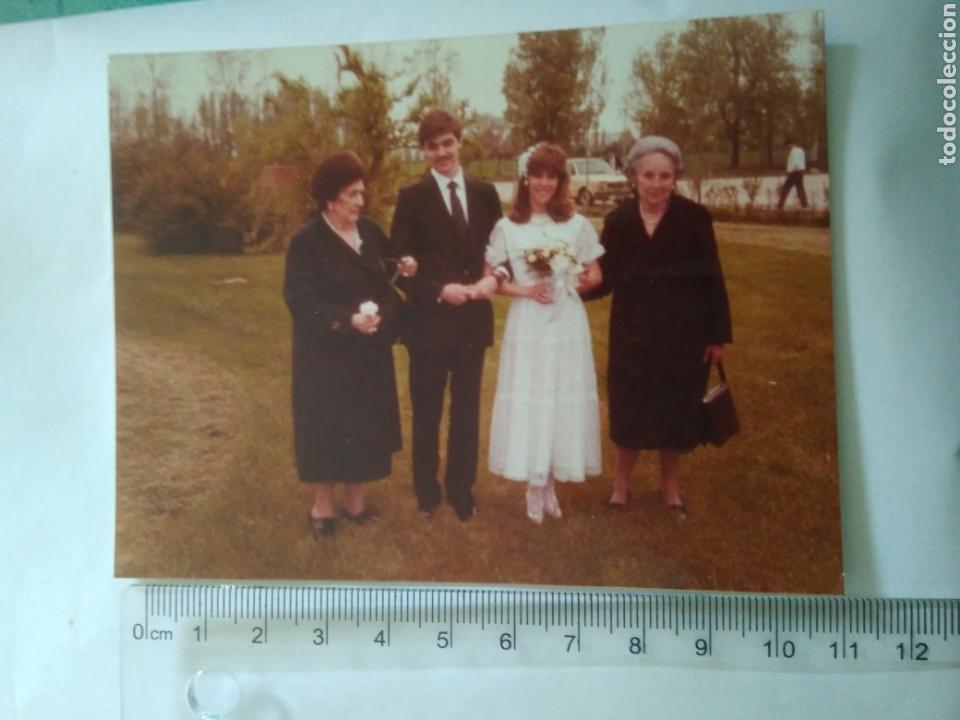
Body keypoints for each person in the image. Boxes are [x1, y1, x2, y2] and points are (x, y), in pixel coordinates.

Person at [588, 136, 732, 520]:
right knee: (629, 408)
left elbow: (711, 277)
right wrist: (573, 288)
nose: (656, 183)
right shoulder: (618, 221)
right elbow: (606, 277)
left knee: (677, 410)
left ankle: (670, 488)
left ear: (675, 178)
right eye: (648, 175)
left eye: (664, 176)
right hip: (632, 334)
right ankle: (621, 485)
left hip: (682, 335)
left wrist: (717, 335)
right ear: (634, 177)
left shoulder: (694, 218)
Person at [283, 150, 417, 539]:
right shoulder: (307, 241)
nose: (361, 201)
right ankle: (322, 507)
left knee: (365, 424)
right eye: (353, 194)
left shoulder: (371, 232)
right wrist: (346, 320)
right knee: (325, 426)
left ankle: (356, 503)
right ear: (330, 199)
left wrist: (402, 268)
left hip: (367, 350)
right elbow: (299, 300)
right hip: (325, 354)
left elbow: (384, 273)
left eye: (362, 193)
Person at [388, 109, 503, 520]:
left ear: (460, 142)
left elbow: (501, 253)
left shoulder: (485, 193)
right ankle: (426, 491)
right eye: (433, 146)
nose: (442, 153)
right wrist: (438, 290)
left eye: (447, 143)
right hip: (429, 325)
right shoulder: (412, 197)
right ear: (423, 150)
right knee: (427, 409)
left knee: (467, 410)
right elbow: (397, 264)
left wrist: (495, 278)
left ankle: (461, 490)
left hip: (473, 322)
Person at [484, 143, 604, 523]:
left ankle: (550, 481)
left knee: (559, 395)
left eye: (552, 176)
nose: (544, 183)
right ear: (525, 178)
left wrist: (578, 281)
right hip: (530, 322)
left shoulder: (576, 223)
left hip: (566, 320)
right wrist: (527, 290)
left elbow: (596, 273)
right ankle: (533, 486)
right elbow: (492, 280)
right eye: (537, 175)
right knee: (533, 396)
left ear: (560, 180)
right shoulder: (507, 226)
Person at [777, 138, 809, 209]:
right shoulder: (801, 150)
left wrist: (790, 172)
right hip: (801, 171)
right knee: (800, 187)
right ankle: (805, 204)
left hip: (794, 172)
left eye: (787, 146)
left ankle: (780, 204)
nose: (787, 148)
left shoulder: (793, 152)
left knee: (786, 188)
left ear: (790, 144)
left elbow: (795, 162)